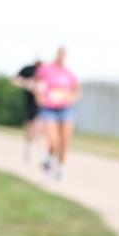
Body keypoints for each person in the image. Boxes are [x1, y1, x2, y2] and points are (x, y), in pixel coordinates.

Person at [35, 47, 80, 181]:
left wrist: (71, 97)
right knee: (54, 141)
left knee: (65, 142)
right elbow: (37, 83)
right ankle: (48, 159)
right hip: (49, 109)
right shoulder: (46, 69)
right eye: (60, 54)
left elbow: (77, 91)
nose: (62, 57)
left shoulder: (68, 73)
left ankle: (61, 169)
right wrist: (39, 96)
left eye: (64, 55)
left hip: (65, 109)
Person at [12, 59, 43, 163]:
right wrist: (26, 84)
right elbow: (15, 80)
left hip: (44, 105)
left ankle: (42, 155)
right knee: (30, 128)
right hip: (30, 104)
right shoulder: (28, 69)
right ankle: (28, 150)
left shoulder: (48, 71)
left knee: (39, 128)